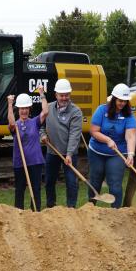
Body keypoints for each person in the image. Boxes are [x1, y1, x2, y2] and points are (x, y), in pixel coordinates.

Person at [87, 83, 136, 208]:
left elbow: (130, 136)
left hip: (116, 154)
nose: (122, 103)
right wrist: (107, 139)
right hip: (96, 152)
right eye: (120, 100)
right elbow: (93, 131)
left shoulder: (129, 116)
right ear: (114, 98)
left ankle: (116, 212)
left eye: (125, 101)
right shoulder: (101, 110)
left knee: (115, 184)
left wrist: (131, 154)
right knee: (95, 182)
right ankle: (90, 209)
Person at [39, 79, 83, 208]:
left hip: (69, 154)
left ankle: (71, 208)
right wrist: (42, 135)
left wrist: (69, 154)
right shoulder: (49, 108)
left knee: (71, 182)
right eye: (61, 95)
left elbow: (74, 136)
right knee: (49, 181)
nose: (64, 98)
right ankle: (51, 207)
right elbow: (40, 126)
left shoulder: (76, 112)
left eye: (67, 95)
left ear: (70, 94)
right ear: (56, 94)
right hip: (52, 152)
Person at [7, 85, 48, 210]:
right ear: (18, 110)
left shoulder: (35, 122)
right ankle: (19, 215)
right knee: (19, 190)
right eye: (21, 108)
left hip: (35, 162)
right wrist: (9, 104)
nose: (24, 111)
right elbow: (11, 123)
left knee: (35, 189)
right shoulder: (16, 125)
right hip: (20, 162)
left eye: (26, 108)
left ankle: (36, 214)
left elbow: (45, 112)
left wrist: (41, 94)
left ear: (29, 109)